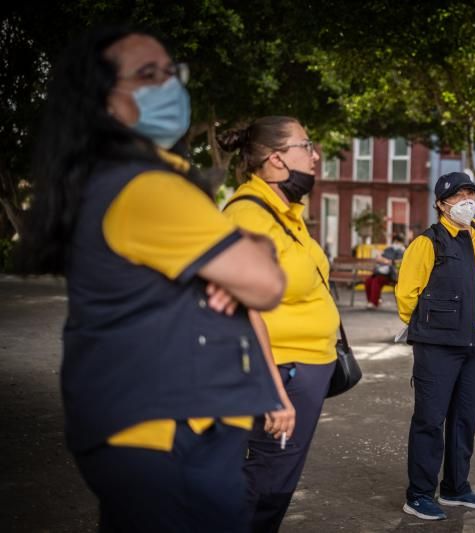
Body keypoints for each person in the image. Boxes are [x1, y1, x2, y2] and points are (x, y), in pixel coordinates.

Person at [19, 28, 291, 532]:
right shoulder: (148, 188)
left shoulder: (123, 179)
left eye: (171, 72)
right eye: (148, 75)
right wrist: (254, 255)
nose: (169, 87)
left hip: (151, 426)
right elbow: (265, 284)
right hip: (172, 434)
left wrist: (246, 257)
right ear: (102, 101)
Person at [217, 116, 340, 532]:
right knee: (264, 487)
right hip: (280, 373)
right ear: (275, 160)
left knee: (275, 483)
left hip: (302, 370)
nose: (316, 155)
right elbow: (243, 311)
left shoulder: (285, 212)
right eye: (306, 146)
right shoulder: (250, 216)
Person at [395, 172, 475, 521]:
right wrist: (428, 326)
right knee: (430, 418)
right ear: (441, 204)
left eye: (471, 194)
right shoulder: (429, 243)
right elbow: (406, 294)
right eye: (458, 196)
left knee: (465, 417)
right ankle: (420, 494)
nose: (466, 201)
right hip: (438, 343)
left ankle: (456, 488)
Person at [364, 234, 406, 308]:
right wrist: (385, 261)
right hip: (381, 272)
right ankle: (371, 301)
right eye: (395, 241)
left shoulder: (404, 251)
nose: (396, 243)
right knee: (368, 281)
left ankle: (374, 302)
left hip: (392, 274)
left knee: (376, 281)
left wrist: (390, 261)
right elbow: (378, 258)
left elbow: (402, 261)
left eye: (398, 241)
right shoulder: (388, 249)